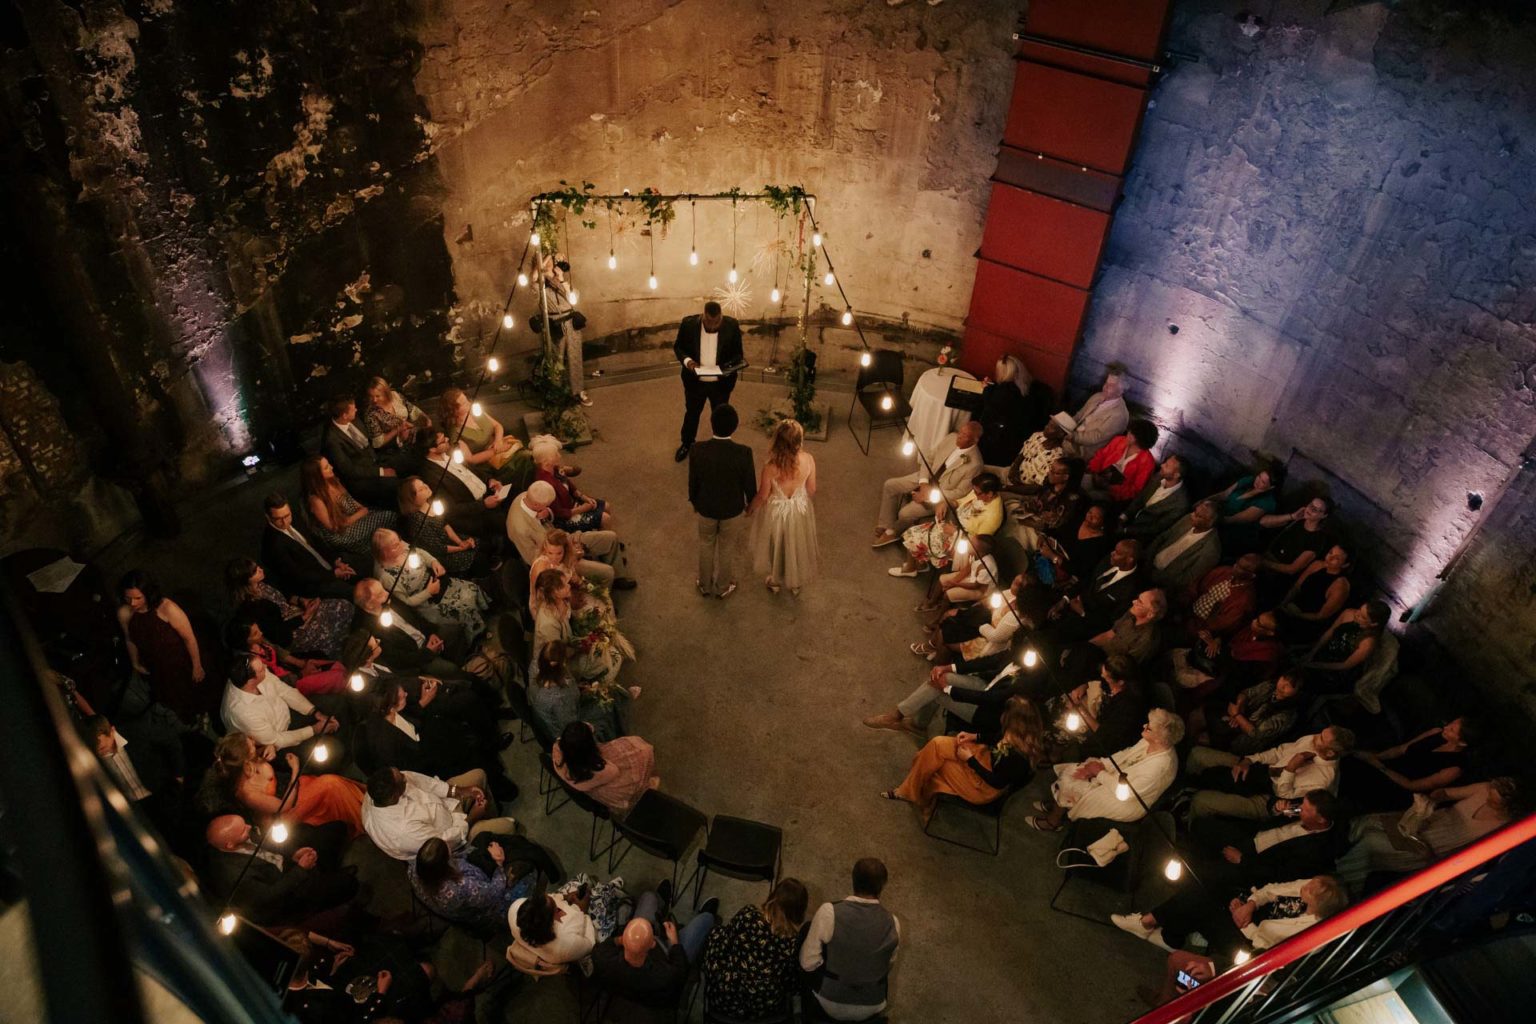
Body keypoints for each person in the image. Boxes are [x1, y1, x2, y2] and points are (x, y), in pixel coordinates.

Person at [1335, 779, 1523, 893]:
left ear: (1508, 807)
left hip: (1427, 848)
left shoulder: (1504, 828)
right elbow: (1447, 793)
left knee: (1371, 842)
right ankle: (1332, 856)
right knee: (1367, 822)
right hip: (1426, 823)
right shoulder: (1483, 789)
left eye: (1494, 802)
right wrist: (1431, 801)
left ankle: (1340, 883)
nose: (1487, 801)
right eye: (1490, 796)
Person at [880, 696, 1044, 822]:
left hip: (983, 786)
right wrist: (974, 736)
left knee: (936, 763)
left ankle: (912, 793)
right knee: (936, 745)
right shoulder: (1019, 734)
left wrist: (970, 759)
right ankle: (915, 793)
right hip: (985, 760)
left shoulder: (1019, 758)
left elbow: (997, 782)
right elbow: (996, 738)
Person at [1115, 874, 1348, 962]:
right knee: (1206, 884)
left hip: (1250, 946)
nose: (1303, 886)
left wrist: (1242, 918)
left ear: (1317, 904)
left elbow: (1264, 941)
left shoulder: (1310, 930)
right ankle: (1164, 932)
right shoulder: (1305, 889)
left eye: (1309, 889)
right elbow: (1272, 888)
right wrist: (1249, 904)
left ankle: (1149, 924)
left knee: (1201, 904)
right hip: (1249, 914)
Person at [1029, 710, 1184, 831]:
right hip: (1115, 777)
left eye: (1149, 727)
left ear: (1159, 738)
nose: (1144, 726)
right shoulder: (1148, 740)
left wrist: (1099, 773)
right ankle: (1060, 804)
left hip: (1126, 803)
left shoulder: (1160, 767)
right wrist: (1101, 764)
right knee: (1074, 770)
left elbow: (1127, 794)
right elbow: (1124, 754)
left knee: (1072, 783)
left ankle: (1053, 821)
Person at [203, 814, 358, 927]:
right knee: (349, 884)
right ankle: (330, 879)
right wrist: (301, 869)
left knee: (337, 828)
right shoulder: (233, 874)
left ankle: (326, 872)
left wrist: (294, 853)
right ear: (229, 845)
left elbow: (272, 841)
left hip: (285, 863)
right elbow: (270, 896)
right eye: (243, 830)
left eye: (245, 824)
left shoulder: (241, 834)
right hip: (284, 891)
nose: (249, 827)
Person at [1183, 726, 1355, 825]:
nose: (1314, 737)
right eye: (1320, 733)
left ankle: (1185, 814)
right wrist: (1250, 760)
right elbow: (1278, 752)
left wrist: (1291, 767)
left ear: (1331, 753)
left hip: (1270, 797)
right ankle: (1185, 784)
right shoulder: (1313, 740)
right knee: (1198, 755)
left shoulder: (1324, 781)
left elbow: (1285, 798)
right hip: (1262, 771)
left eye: (1320, 739)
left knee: (1202, 800)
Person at [591, 883, 720, 1013]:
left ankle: (660, 902)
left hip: (625, 986)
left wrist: (622, 940)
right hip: (664, 967)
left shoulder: (601, 958)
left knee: (649, 896)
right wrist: (674, 942)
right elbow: (681, 968)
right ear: (653, 943)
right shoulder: (667, 976)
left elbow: (608, 944)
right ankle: (705, 916)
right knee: (705, 919)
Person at [800, 857, 900, 1022]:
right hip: (872, 1003)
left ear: (853, 879)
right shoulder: (893, 923)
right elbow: (888, 964)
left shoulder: (829, 912)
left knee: (807, 930)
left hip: (830, 1002)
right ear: (882, 886)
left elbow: (807, 963)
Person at [208, 732, 365, 837]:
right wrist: (295, 770)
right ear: (244, 758)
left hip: (293, 788)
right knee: (331, 784)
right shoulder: (247, 794)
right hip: (287, 810)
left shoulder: (251, 759)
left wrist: (271, 747)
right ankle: (363, 820)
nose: (253, 742)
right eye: (250, 744)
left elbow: (265, 755)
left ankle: (362, 802)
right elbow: (284, 806)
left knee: (331, 783)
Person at [703, 879, 810, 1020]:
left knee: (716, 935)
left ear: (773, 897)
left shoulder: (748, 915)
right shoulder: (792, 944)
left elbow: (722, 942)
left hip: (723, 999)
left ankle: (705, 915)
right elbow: (792, 984)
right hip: (761, 1010)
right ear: (799, 911)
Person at [361, 767, 517, 862]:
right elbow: (444, 842)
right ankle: (495, 842)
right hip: (453, 841)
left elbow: (429, 784)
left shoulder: (391, 780)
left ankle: (490, 817)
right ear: (395, 795)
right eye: (402, 780)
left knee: (479, 775)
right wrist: (471, 818)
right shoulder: (403, 831)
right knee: (509, 826)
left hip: (446, 805)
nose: (404, 776)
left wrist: (462, 791)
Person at [871, 420, 983, 547]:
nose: (959, 436)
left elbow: (960, 492)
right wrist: (924, 483)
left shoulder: (975, 464)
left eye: (964, 436)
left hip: (940, 496)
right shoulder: (951, 437)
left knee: (905, 513)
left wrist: (928, 495)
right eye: (960, 432)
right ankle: (886, 524)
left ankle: (893, 532)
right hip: (926, 477)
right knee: (890, 485)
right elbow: (928, 459)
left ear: (974, 441)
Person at [117, 569, 207, 726]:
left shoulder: (167, 608)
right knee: (169, 696)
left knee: (190, 693)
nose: (133, 603)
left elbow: (189, 638)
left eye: (138, 598)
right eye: (128, 598)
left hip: (179, 662)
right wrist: (135, 663)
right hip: (155, 666)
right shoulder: (124, 613)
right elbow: (129, 639)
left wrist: (197, 665)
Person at [507, 480, 636, 589]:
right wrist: (568, 554)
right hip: (558, 559)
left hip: (563, 538)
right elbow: (534, 560)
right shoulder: (520, 529)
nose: (548, 506)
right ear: (536, 504)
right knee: (607, 572)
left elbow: (550, 516)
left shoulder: (528, 496)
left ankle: (618, 576)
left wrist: (548, 512)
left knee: (611, 537)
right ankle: (602, 598)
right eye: (546, 505)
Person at [688, 403, 758, 599]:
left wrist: (695, 501)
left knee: (705, 544)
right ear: (735, 426)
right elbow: (749, 484)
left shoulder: (697, 450)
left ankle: (704, 584)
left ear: (711, 424)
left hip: (706, 507)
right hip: (732, 510)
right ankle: (723, 586)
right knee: (726, 547)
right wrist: (751, 504)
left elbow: (693, 481)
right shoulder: (744, 452)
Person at [372, 527, 489, 642]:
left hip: (436, 581)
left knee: (471, 588)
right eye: (396, 545)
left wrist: (434, 563)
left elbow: (421, 553)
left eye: (399, 540)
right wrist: (429, 592)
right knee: (464, 608)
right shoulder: (386, 577)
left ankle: (486, 616)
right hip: (426, 602)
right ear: (385, 553)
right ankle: (478, 637)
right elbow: (407, 601)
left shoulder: (401, 546)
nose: (402, 545)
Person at [409, 835, 547, 932]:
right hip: (488, 910)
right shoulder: (460, 887)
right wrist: (499, 862)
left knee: (482, 840)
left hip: (469, 896)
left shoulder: (414, 869)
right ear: (446, 862)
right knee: (528, 869)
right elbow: (494, 893)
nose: (446, 841)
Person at [80, 712, 184, 839]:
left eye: (102, 748)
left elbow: (171, 740)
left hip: (159, 794)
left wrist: (178, 774)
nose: (98, 752)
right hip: (132, 809)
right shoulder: (92, 756)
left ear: (112, 731)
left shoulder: (137, 731)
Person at [226, 557, 354, 658]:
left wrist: (301, 600)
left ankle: (351, 637)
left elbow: (285, 594)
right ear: (246, 580)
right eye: (255, 571)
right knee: (332, 623)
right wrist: (305, 616)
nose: (260, 569)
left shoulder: (263, 582)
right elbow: (277, 632)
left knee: (342, 605)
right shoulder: (252, 607)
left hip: (295, 612)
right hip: (291, 631)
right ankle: (346, 651)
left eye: (257, 566)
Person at [220, 654, 343, 758]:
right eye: (262, 669)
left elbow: (284, 690)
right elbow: (277, 740)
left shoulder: (255, 673)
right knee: (333, 749)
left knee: (335, 703)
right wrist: (315, 729)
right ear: (252, 680)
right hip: (276, 743)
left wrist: (314, 712)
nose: (266, 666)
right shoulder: (242, 713)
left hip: (287, 713)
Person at [1342, 718, 1473, 814]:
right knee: (1349, 759)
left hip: (1399, 788)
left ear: (1462, 742)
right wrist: (1376, 757)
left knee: (1354, 783)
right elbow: (1401, 749)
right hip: (1389, 767)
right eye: (1450, 724)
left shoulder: (1455, 768)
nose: (1446, 727)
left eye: (1451, 730)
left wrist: (1380, 767)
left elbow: (1412, 785)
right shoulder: (1436, 732)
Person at [750, 418, 819, 595]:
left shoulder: (771, 467)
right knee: (796, 542)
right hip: (799, 508)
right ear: (799, 441)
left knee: (776, 543)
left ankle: (775, 580)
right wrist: (798, 496)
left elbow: (763, 495)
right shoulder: (808, 460)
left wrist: (751, 507)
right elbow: (811, 489)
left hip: (776, 512)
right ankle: (795, 582)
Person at [889, 472, 1002, 578]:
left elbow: (979, 544)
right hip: (953, 525)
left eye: (977, 493)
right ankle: (920, 564)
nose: (975, 494)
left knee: (915, 534)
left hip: (961, 543)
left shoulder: (993, 517)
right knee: (918, 530)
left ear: (990, 494)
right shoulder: (981, 493)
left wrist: (955, 532)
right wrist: (945, 504)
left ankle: (910, 568)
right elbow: (960, 502)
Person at [673, 299, 745, 462]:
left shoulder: (732, 325)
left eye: (716, 322)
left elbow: (738, 355)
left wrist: (727, 369)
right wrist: (688, 362)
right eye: (709, 322)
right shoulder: (688, 324)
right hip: (695, 382)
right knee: (692, 413)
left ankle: (721, 447)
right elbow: (678, 347)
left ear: (721, 317)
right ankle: (687, 443)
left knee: (720, 416)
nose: (712, 326)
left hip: (721, 383)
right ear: (703, 316)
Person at [350, 578, 463, 677]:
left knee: (455, 630)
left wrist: (431, 633)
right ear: (369, 605)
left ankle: (459, 660)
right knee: (451, 669)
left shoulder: (388, 599)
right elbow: (400, 660)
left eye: (383, 589)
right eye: (380, 594)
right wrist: (428, 652)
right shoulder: (372, 632)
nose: (387, 593)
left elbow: (415, 616)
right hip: (418, 657)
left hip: (427, 636)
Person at [532, 569, 627, 687]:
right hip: (559, 664)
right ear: (554, 593)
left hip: (570, 645)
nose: (568, 586)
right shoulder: (548, 625)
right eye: (564, 585)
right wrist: (583, 646)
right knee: (615, 657)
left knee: (607, 645)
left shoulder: (560, 600)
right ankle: (599, 688)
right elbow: (556, 655)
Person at [260, 493, 362, 600]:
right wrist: (333, 574)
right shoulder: (272, 545)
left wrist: (335, 561)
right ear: (267, 517)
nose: (285, 522)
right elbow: (298, 576)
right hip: (314, 584)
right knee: (357, 593)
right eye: (278, 519)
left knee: (363, 574)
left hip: (328, 566)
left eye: (287, 516)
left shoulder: (295, 518)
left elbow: (317, 542)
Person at [527, 640, 629, 744]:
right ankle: (616, 739)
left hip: (557, 717)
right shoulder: (561, 698)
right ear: (561, 664)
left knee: (604, 692)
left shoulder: (537, 664)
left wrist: (578, 688)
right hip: (568, 734)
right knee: (607, 700)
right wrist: (587, 694)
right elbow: (571, 726)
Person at [551, 721, 657, 818]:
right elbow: (613, 771)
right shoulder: (596, 770)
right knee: (644, 753)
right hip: (606, 788)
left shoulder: (557, 750)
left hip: (585, 786)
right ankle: (644, 788)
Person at [1187, 671, 1306, 756]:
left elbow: (1255, 733)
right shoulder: (1270, 686)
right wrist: (1239, 708)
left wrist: (1237, 716)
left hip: (1243, 739)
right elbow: (1246, 693)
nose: (1283, 685)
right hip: (1239, 716)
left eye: (1289, 686)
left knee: (1204, 738)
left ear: (1297, 692)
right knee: (1198, 715)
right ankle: (1186, 740)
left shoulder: (1287, 715)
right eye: (1284, 679)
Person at [420, 430, 510, 540]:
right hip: (476, 511)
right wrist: (484, 505)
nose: (448, 439)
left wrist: (490, 480)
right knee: (507, 523)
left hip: (489, 492)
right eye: (443, 440)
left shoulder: (451, 452)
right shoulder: (431, 475)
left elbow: (471, 469)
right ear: (432, 449)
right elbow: (450, 509)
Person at [301, 454, 396, 558]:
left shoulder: (333, 480)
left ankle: (383, 546)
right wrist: (360, 514)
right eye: (326, 467)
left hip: (351, 517)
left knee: (385, 514)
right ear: (317, 475)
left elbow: (349, 499)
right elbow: (334, 527)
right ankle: (379, 550)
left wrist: (362, 508)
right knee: (388, 516)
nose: (331, 467)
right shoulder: (316, 499)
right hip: (341, 533)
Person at [397, 476, 492, 579]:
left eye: (423, 483)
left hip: (451, 541)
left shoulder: (430, 503)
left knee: (482, 545)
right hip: (443, 555)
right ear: (412, 500)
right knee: (479, 559)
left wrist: (460, 542)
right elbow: (438, 549)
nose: (426, 486)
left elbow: (445, 524)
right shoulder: (417, 521)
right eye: (420, 489)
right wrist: (461, 548)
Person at [228, 617, 347, 697]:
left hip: (290, 671)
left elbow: (277, 651)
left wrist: (301, 663)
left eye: (258, 629)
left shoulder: (259, 641)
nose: (261, 633)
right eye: (255, 633)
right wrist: (301, 674)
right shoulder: (251, 663)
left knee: (336, 665)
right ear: (244, 640)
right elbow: (274, 684)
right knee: (337, 677)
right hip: (289, 686)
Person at [441, 387, 533, 487]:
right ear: (453, 410)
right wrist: (496, 450)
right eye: (463, 403)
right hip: (488, 463)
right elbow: (471, 459)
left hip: (501, 448)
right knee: (527, 458)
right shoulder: (455, 433)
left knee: (530, 457)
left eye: (466, 399)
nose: (468, 403)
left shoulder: (475, 411)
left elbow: (497, 426)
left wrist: (498, 441)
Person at [319, 394, 399, 506]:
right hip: (361, 479)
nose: (356, 410)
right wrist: (380, 472)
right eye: (353, 409)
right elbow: (349, 470)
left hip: (375, 461)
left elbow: (370, 443)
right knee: (393, 485)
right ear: (344, 415)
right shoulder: (332, 440)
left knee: (402, 465)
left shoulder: (355, 420)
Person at [1256, 495, 1335, 604]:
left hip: (1276, 575)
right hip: (1266, 559)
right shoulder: (1298, 519)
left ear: (1324, 515)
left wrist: (1263, 563)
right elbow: (1263, 522)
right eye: (1310, 505)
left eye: (1316, 510)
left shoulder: (1317, 540)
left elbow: (1292, 569)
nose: (1310, 510)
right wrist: (1292, 516)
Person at [974, 354, 1050, 467]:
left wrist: (986, 390)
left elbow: (991, 408)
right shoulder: (1028, 388)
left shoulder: (1003, 393)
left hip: (1000, 445)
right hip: (1019, 439)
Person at [1302, 600, 1389, 694]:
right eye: (1359, 609)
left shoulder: (1368, 642)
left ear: (1373, 624)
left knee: (1308, 683)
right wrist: (1312, 652)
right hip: (1326, 651)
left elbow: (1345, 665)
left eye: (1362, 617)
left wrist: (1315, 665)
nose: (1356, 614)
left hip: (1338, 670)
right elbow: (1330, 632)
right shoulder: (1348, 613)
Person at [1004, 455, 1086, 556]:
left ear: (1066, 477)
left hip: (1043, 532)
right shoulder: (1049, 483)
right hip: (1031, 515)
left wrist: (1028, 522)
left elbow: (1054, 527)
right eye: (1050, 469)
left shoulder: (1071, 500)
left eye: (1053, 472)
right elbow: (1035, 494)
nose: (1049, 473)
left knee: (1012, 534)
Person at [537, 252, 590, 405]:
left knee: (575, 356)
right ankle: (556, 392)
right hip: (554, 323)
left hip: (570, 321)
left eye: (552, 265)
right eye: (548, 265)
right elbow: (536, 276)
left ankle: (578, 391)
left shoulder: (563, 283)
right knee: (556, 358)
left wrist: (561, 279)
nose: (550, 268)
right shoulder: (540, 285)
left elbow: (574, 299)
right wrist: (547, 259)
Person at [530, 433, 611, 532]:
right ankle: (604, 540)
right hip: (565, 518)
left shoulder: (554, 468)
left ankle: (603, 536)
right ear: (547, 462)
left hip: (572, 503)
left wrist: (584, 497)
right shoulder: (545, 484)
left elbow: (568, 484)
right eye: (556, 454)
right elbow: (558, 513)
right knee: (605, 518)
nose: (559, 456)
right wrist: (583, 509)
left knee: (606, 506)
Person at [1275, 543, 1353, 645]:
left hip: (1307, 621)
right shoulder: (1317, 565)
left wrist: (1297, 615)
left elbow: (1321, 616)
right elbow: (1297, 587)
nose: (1329, 558)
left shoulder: (1340, 585)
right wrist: (1283, 604)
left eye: (1336, 558)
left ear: (1345, 564)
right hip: (1292, 607)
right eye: (1330, 553)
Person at [1144, 500, 1222, 591]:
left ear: (1210, 523)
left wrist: (1154, 575)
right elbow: (1163, 536)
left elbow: (1187, 579)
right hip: (1148, 561)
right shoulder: (1187, 519)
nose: (1192, 515)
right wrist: (1147, 557)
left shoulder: (1211, 551)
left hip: (1161, 584)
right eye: (1194, 511)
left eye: (1198, 516)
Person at [1182, 554, 1262, 641]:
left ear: (1251, 575)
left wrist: (1191, 624)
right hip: (1186, 609)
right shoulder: (1225, 571)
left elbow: (1218, 626)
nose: (1235, 566)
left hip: (1196, 628)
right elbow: (1197, 585)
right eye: (1237, 563)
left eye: (1241, 568)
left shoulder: (1244, 600)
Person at [509, 886, 597, 966]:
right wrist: (583, 911)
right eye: (555, 907)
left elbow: (548, 899)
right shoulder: (567, 943)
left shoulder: (515, 907)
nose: (551, 896)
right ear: (552, 921)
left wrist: (564, 897)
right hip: (568, 952)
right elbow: (590, 943)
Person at [1084, 420, 1159, 505]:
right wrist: (1094, 471)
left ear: (1139, 439)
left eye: (1131, 434)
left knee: (1090, 497)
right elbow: (1101, 455)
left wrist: (1110, 488)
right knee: (1079, 482)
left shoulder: (1148, 463)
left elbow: (1135, 490)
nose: (1128, 434)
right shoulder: (1119, 440)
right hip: (1098, 476)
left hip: (1114, 495)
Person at [363, 375, 430, 469]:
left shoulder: (395, 395)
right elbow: (377, 443)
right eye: (371, 396)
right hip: (396, 448)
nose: (374, 400)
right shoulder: (370, 414)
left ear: (385, 392)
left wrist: (425, 418)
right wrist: (397, 429)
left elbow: (411, 409)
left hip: (412, 435)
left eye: (377, 396)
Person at [1064, 362, 1129, 458]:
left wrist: (1072, 436)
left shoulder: (1120, 415)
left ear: (1121, 390)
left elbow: (1096, 437)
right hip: (1071, 438)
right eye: (1106, 383)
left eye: (1111, 385)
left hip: (1083, 451)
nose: (1106, 387)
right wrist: (1064, 426)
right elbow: (1079, 415)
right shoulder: (1097, 396)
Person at [1001, 411, 1073, 495]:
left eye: (1051, 427)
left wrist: (1008, 488)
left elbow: (1037, 488)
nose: (1046, 427)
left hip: (1021, 491)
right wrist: (1013, 470)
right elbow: (1022, 454)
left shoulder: (1056, 458)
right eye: (1048, 424)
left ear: (1060, 434)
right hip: (1012, 475)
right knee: (983, 470)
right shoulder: (1038, 435)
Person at [1120, 455, 1190, 540]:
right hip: (1130, 519)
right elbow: (1141, 498)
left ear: (1176, 475)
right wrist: (1124, 516)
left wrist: (1125, 530)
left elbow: (1157, 528)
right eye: (1165, 463)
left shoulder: (1181, 504)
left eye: (1167, 466)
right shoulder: (1159, 476)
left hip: (1141, 536)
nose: (1162, 465)